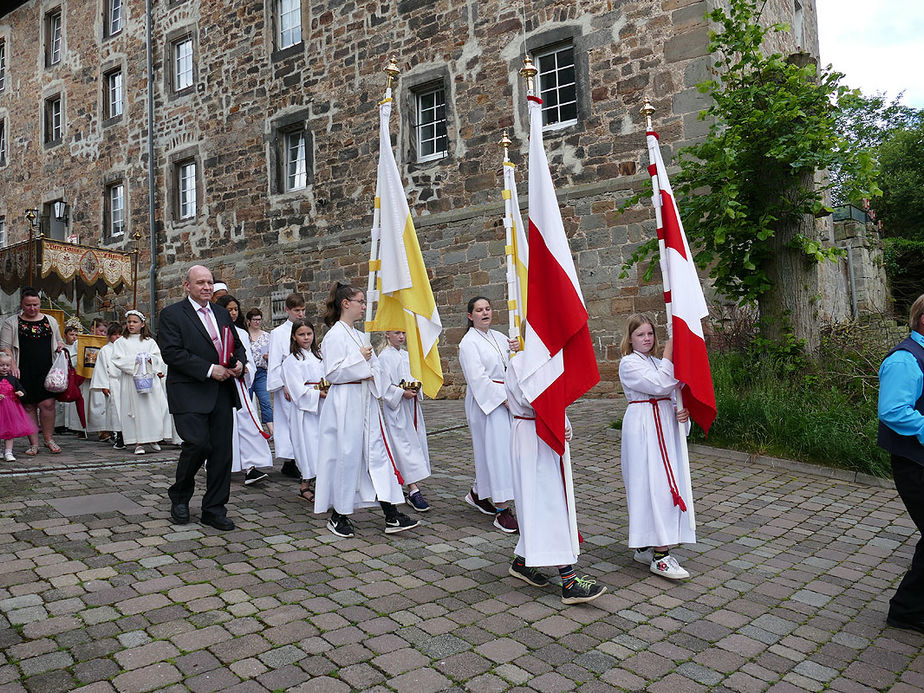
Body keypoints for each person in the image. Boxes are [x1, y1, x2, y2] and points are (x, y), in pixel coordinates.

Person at [314, 282, 418, 537]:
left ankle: (391, 514)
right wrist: (360, 359)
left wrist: (375, 369)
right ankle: (339, 514)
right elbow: (333, 372)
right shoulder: (334, 336)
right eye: (360, 301)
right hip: (345, 403)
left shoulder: (362, 336)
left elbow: (376, 372)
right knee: (348, 457)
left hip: (367, 402)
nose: (364, 306)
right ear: (345, 303)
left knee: (378, 456)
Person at [505, 350, 607, 604]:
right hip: (530, 435)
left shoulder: (546, 362)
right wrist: (556, 417)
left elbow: (554, 398)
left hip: (545, 432)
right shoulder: (519, 363)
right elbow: (535, 398)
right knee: (547, 503)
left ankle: (522, 562)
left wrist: (564, 421)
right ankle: (569, 581)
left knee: (546, 501)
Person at [158, 265, 246, 531]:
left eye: (210, 282)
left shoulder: (221, 313)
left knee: (221, 452)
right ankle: (180, 495)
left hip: (221, 392)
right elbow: (172, 353)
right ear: (187, 286)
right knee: (197, 444)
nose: (207, 287)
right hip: (189, 390)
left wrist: (239, 364)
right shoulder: (172, 314)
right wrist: (210, 370)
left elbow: (237, 346)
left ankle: (214, 509)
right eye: (200, 283)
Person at [618, 313, 694, 580]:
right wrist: (672, 351)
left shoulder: (654, 361)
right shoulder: (629, 363)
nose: (647, 339)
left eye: (650, 334)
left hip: (661, 421)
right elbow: (662, 383)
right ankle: (660, 557)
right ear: (630, 338)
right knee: (650, 485)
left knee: (661, 483)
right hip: (643, 427)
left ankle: (646, 545)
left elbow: (672, 389)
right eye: (640, 335)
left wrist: (679, 411)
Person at [878, 294, 924, 634]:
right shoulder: (905, 360)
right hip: (913, 463)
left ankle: (909, 607)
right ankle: (905, 610)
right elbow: (893, 411)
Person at [458, 296, 519, 533]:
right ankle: (502, 509)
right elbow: (477, 379)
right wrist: (502, 399)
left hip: (506, 397)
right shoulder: (468, 343)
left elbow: (511, 364)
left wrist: (517, 348)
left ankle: (477, 492)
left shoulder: (500, 336)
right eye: (479, 310)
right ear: (470, 316)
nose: (485, 313)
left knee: (502, 451)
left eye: (488, 309)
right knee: (495, 452)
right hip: (487, 402)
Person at [0, 288, 64, 456]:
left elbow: (59, 340)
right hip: (23, 369)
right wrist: (12, 364)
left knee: (48, 404)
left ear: (40, 303)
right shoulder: (11, 322)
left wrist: (60, 346)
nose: (32, 308)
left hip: (47, 369)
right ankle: (34, 444)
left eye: (35, 305)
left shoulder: (50, 320)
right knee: (28, 406)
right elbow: (4, 346)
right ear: (22, 304)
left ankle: (49, 439)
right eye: (28, 305)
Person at [217, 295, 273, 486]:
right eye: (229, 309)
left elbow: (247, 357)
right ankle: (221, 464)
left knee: (248, 423)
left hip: (239, 384)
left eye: (235, 309)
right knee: (226, 427)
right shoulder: (214, 330)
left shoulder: (241, 333)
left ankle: (251, 466)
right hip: (221, 384)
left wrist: (245, 368)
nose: (232, 313)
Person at [378, 330, 432, 512]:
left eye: (403, 333)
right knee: (403, 445)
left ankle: (403, 481)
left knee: (413, 442)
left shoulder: (406, 355)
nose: (401, 337)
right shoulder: (384, 357)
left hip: (412, 407)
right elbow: (384, 386)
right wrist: (402, 393)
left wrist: (416, 388)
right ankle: (412, 488)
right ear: (387, 334)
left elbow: (415, 377)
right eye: (397, 333)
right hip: (397, 409)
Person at [110, 311, 173, 455]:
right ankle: (138, 442)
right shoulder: (121, 342)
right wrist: (137, 360)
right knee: (135, 412)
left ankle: (153, 438)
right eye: (129, 322)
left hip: (149, 380)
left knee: (153, 409)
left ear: (142, 324)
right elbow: (117, 359)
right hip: (131, 382)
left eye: (134, 322)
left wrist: (150, 359)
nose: (131, 324)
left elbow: (158, 358)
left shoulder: (149, 342)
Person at [281, 318, 325, 502]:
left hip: (323, 406)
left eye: (309, 334)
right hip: (305, 410)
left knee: (323, 445)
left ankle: (324, 483)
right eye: (301, 334)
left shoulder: (320, 355)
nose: (306, 338)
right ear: (294, 336)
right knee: (308, 446)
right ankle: (305, 485)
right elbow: (296, 389)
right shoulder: (291, 361)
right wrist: (317, 394)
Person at [267, 294, 306, 479]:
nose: (300, 314)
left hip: (305, 382)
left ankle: (304, 457)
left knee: (305, 422)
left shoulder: (305, 330)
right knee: (290, 422)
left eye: (302, 310)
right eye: (296, 311)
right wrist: (282, 384)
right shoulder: (278, 334)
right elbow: (275, 362)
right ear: (288, 310)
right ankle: (290, 461)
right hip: (287, 385)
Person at [0, 351, 38, 461]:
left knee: (9, 431)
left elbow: (21, 390)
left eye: (7, 365)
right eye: (1, 365)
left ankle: (8, 452)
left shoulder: (13, 379)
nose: (5, 368)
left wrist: (21, 393)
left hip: (10, 409)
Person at [246, 307, 273, 435]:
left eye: (259, 319)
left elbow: (272, 355)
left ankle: (271, 430)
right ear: (249, 321)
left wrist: (268, 357)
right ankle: (251, 430)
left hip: (261, 371)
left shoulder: (266, 336)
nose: (257, 322)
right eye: (255, 320)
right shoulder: (245, 335)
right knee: (248, 401)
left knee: (265, 401)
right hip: (248, 372)